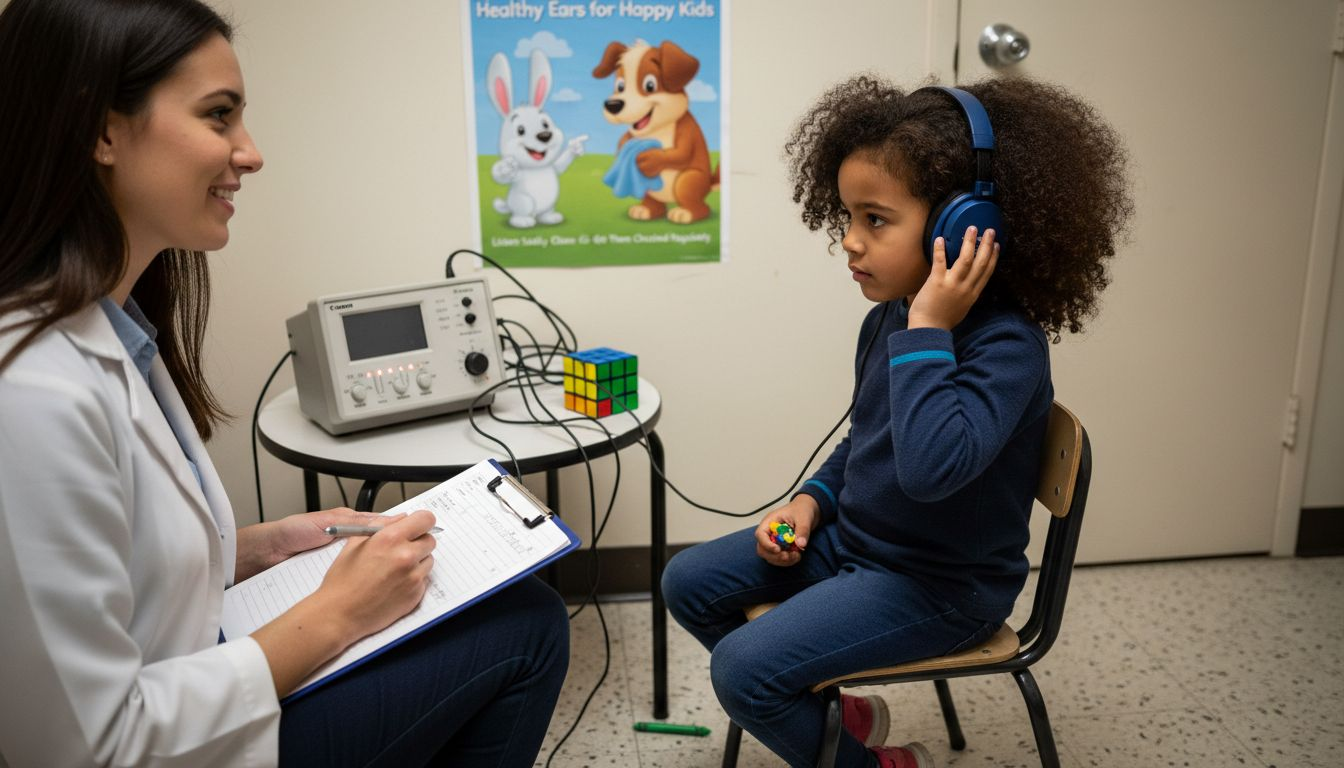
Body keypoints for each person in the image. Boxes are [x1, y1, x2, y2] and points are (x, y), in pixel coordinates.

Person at [0, 1, 568, 766]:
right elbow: (89, 745)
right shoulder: (28, 394)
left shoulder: (115, 330)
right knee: (527, 628)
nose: (251, 152)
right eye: (219, 116)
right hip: (173, 740)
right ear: (102, 129)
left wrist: (261, 548)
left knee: (517, 602)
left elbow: (118, 564)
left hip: (194, 665)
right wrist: (336, 613)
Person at [662, 75, 1133, 768]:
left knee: (743, 671)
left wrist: (930, 328)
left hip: (942, 587)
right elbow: (865, 440)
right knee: (688, 582)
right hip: (857, 546)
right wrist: (810, 502)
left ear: (964, 227)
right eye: (848, 217)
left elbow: (929, 469)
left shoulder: (1005, 348)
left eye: (875, 220)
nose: (849, 242)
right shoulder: (890, 321)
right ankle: (842, 716)